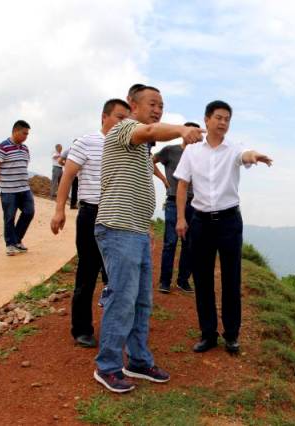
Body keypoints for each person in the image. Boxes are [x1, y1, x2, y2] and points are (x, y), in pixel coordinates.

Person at [93, 85, 205, 393]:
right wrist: (183, 129)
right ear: (133, 105)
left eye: (161, 105)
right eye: (152, 103)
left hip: (137, 231)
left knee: (142, 301)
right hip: (118, 228)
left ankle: (138, 361)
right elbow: (152, 129)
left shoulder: (141, 148)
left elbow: (152, 133)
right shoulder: (124, 128)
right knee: (123, 299)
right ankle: (108, 366)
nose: (157, 109)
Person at [174, 100, 272, 354]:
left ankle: (231, 335)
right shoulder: (192, 151)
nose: (223, 122)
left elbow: (245, 156)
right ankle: (208, 334)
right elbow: (183, 184)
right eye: (218, 117)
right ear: (206, 119)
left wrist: (255, 156)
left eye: (227, 119)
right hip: (201, 222)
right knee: (203, 280)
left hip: (229, 222)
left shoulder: (233, 148)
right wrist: (181, 218)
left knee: (231, 279)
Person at [50, 99, 130, 348]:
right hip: (92, 214)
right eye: (119, 117)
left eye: (126, 119)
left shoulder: (127, 145)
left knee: (116, 275)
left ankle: (116, 328)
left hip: (118, 215)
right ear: (104, 117)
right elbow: (68, 176)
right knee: (87, 272)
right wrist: (59, 210)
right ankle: (82, 329)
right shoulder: (86, 142)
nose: (123, 123)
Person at [153, 122, 200, 294]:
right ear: (185, 134)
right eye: (192, 133)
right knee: (170, 242)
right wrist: (164, 180)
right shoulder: (170, 151)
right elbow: (151, 161)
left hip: (195, 203)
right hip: (173, 201)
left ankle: (183, 280)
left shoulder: (201, 154)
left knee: (190, 244)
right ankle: (164, 281)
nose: (196, 137)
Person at [0, 120, 35, 256]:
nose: (26, 136)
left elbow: (24, 165)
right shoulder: (2, 147)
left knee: (29, 212)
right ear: (16, 131)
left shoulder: (25, 148)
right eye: (24, 133)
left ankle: (16, 240)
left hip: (24, 188)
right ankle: (10, 244)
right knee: (9, 217)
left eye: (27, 134)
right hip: (9, 190)